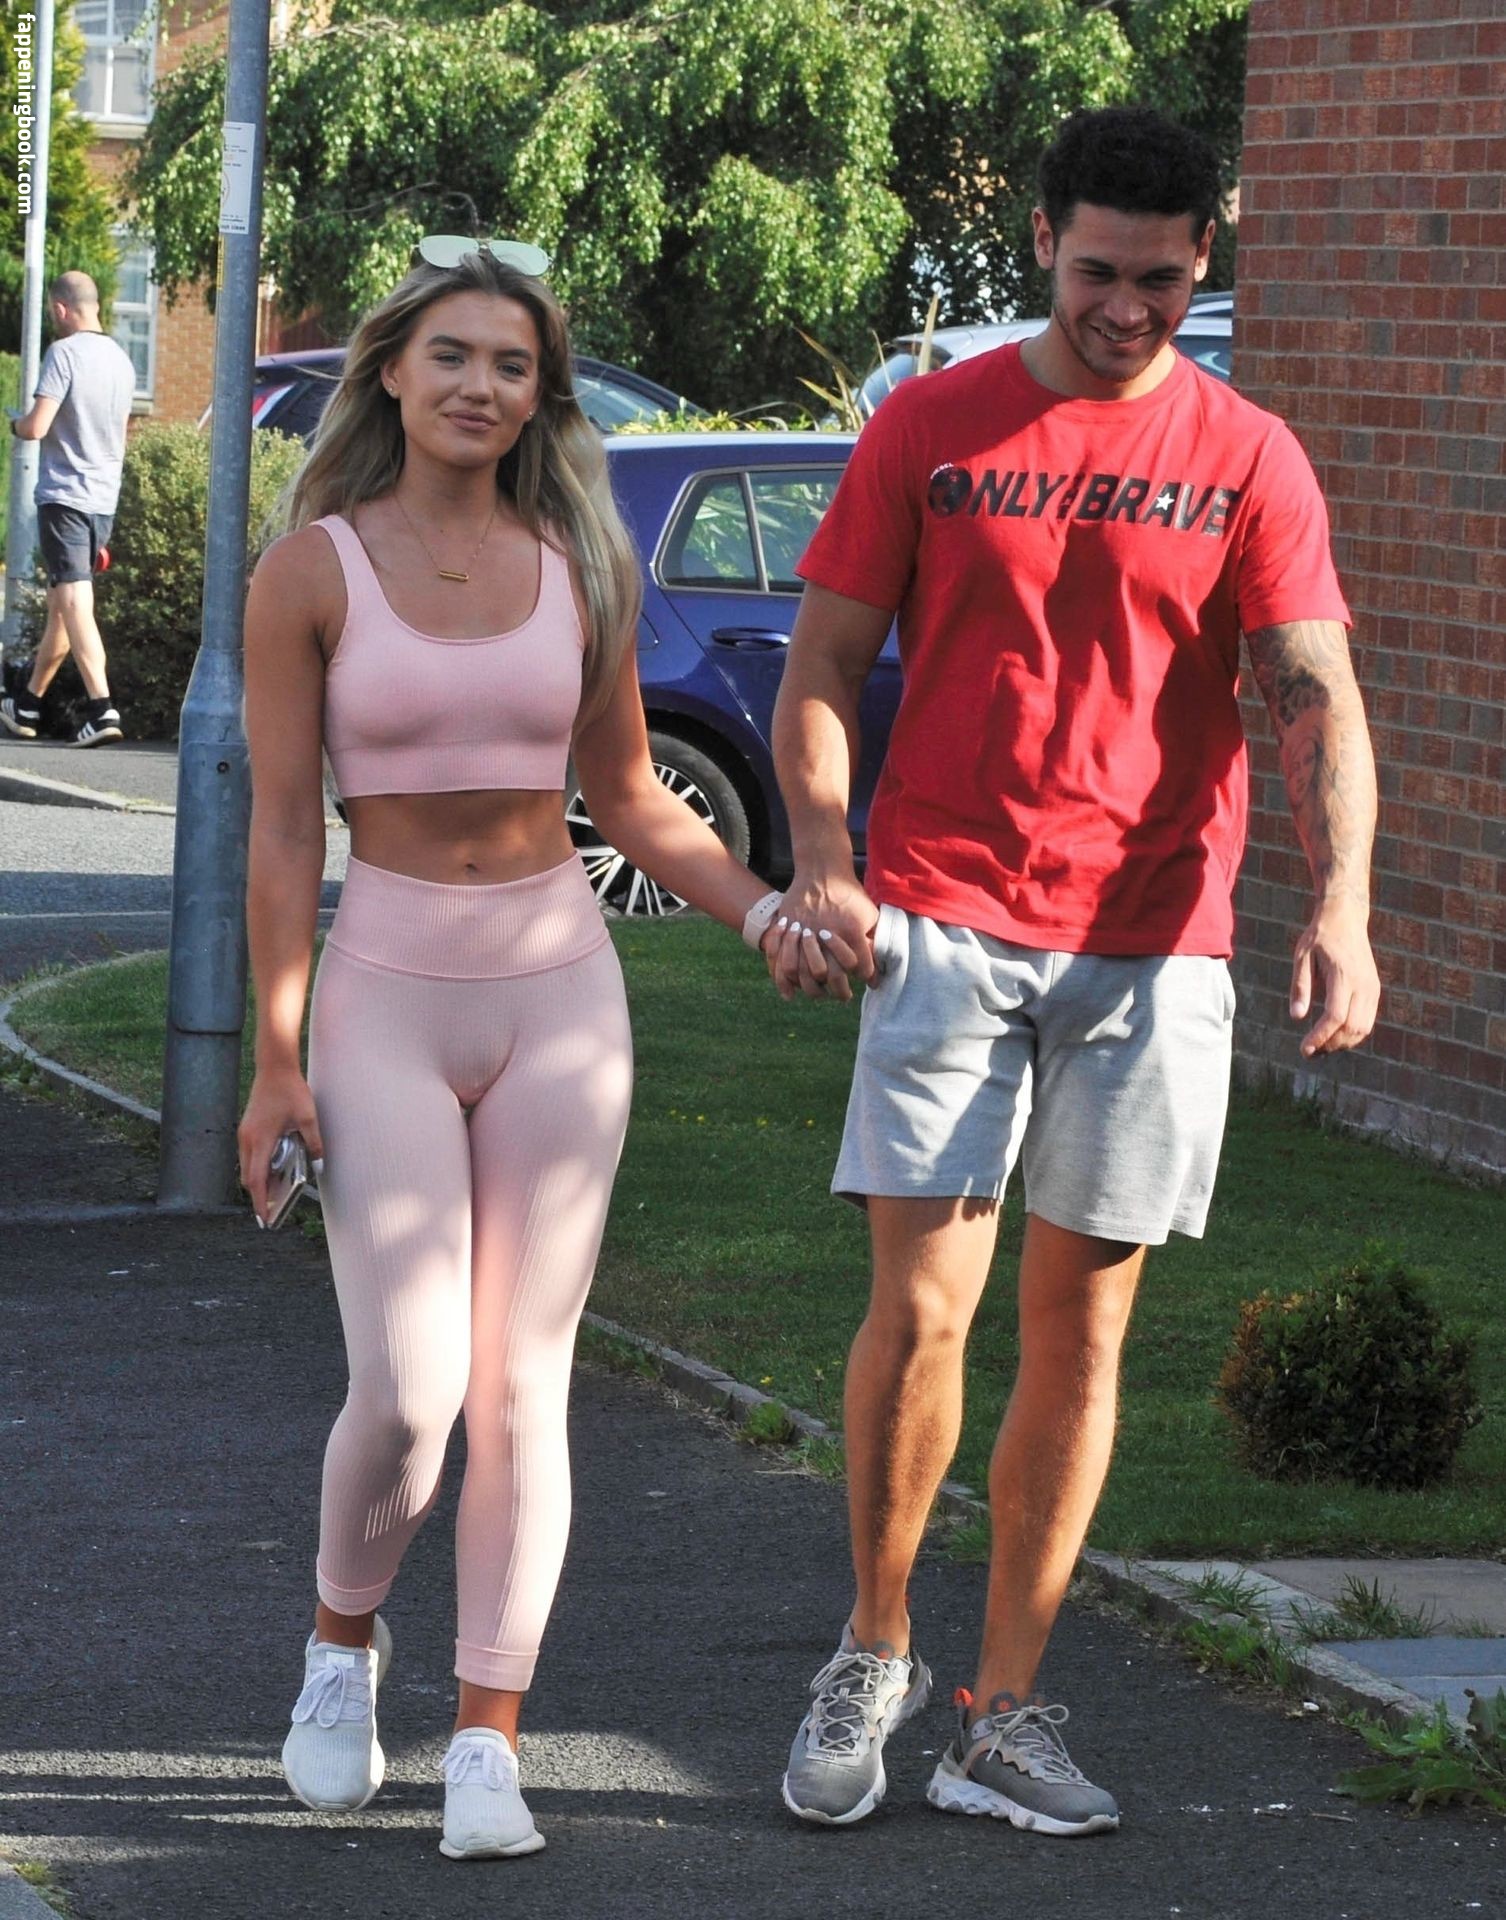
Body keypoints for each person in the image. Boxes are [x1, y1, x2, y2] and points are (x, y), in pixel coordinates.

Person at [768, 105, 1381, 1837]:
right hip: (947, 913)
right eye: (1099, 272)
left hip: (1153, 940)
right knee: (921, 1312)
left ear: (1203, 262)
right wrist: (822, 859)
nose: (1126, 309)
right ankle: (874, 1646)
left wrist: (1341, 903)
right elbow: (821, 666)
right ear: (1042, 240)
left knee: (1083, 1333)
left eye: (1163, 282)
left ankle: (999, 1712)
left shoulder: (1247, 453)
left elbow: (1313, 689)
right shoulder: (933, 423)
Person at [236, 238, 796, 1859]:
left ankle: (490, 1735)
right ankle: (342, 1641)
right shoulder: (311, 574)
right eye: (452, 356)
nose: (480, 386)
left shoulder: (579, 561)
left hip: (559, 990)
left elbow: (629, 799)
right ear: (391, 372)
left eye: (512, 365)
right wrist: (277, 1058)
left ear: (541, 397)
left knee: (520, 1386)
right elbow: (284, 830)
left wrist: (762, 912)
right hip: (385, 990)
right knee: (409, 1393)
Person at [2, 270, 134, 747]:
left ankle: (102, 708)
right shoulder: (122, 360)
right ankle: (28, 704)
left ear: (61, 309)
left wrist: (15, 424)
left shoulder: (63, 353)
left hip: (65, 497)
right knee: (63, 605)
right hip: (103, 499)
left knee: (74, 601)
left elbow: (38, 426)